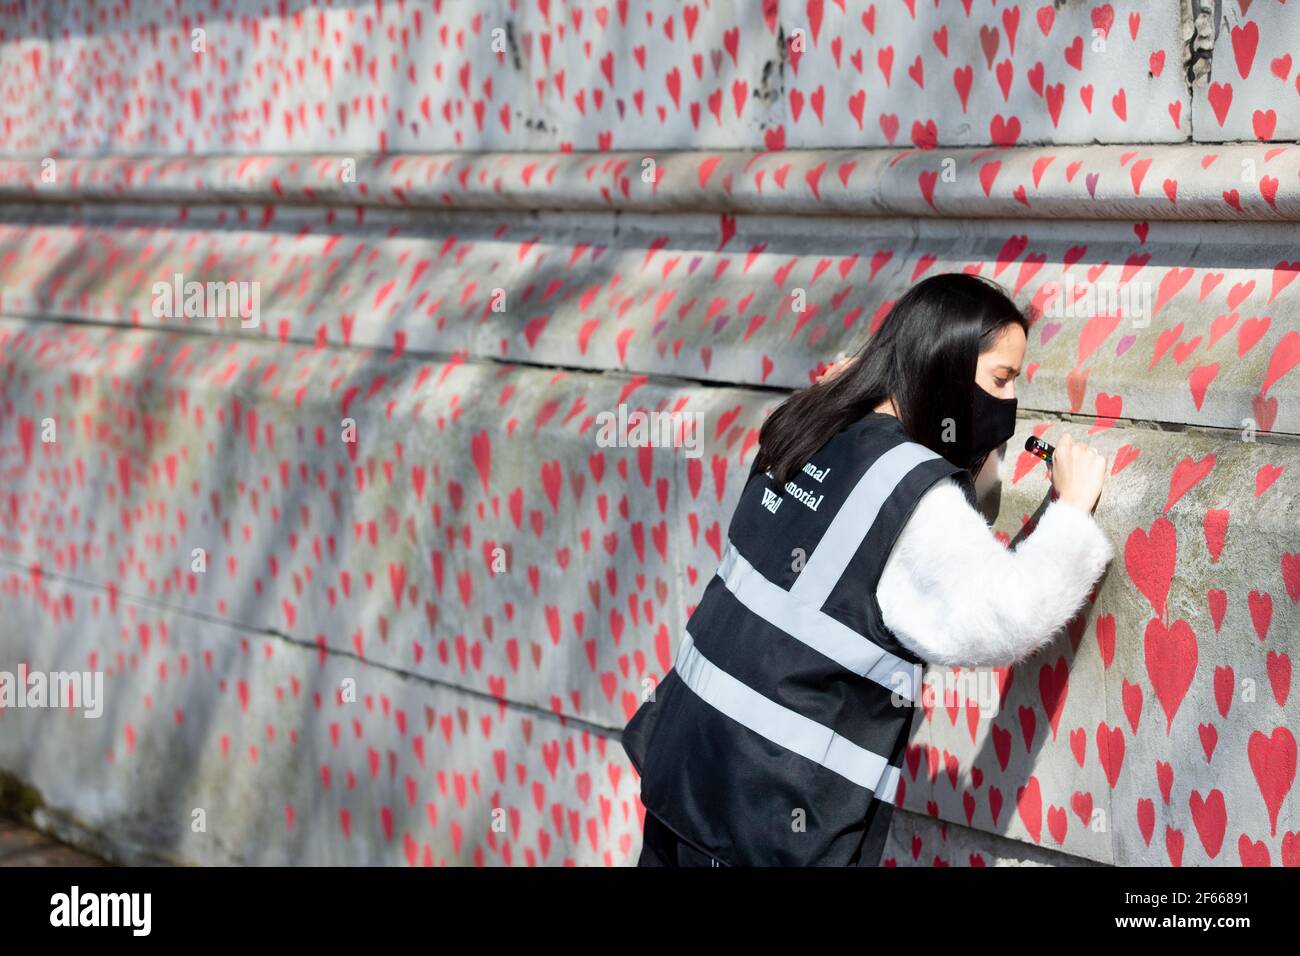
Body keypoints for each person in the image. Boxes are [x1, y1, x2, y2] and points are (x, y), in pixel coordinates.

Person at [622, 273, 1113, 867]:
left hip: (683, 762)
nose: (1008, 402)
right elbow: (1008, 614)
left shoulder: (814, 422)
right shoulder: (913, 495)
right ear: (943, 365)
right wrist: (1071, 514)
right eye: (1001, 379)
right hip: (769, 812)